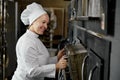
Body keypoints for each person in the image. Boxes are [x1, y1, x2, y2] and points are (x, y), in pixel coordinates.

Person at [12, 2, 67, 80]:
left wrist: (57, 58)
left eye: (47, 23)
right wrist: (56, 66)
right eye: (43, 22)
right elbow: (32, 71)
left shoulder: (34, 39)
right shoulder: (27, 42)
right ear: (33, 21)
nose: (46, 26)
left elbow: (40, 61)